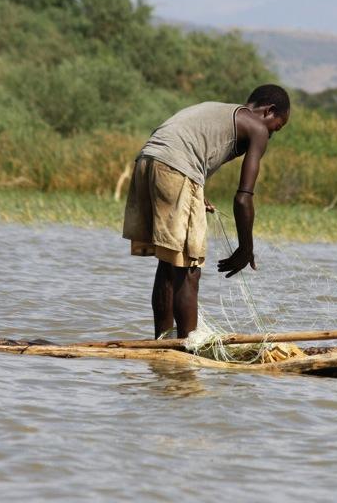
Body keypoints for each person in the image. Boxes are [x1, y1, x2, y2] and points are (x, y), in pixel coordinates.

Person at [122, 84, 290, 339]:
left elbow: (183, 144)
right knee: (188, 269)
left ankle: (163, 342)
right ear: (269, 111)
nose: (271, 135)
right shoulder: (257, 128)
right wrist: (246, 248)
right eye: (276, 127)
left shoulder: (222, 111)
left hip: (147, 162)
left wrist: (196, 193)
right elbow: (244, 198)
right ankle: (189, 346)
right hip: (174, 166)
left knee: (168, 264)